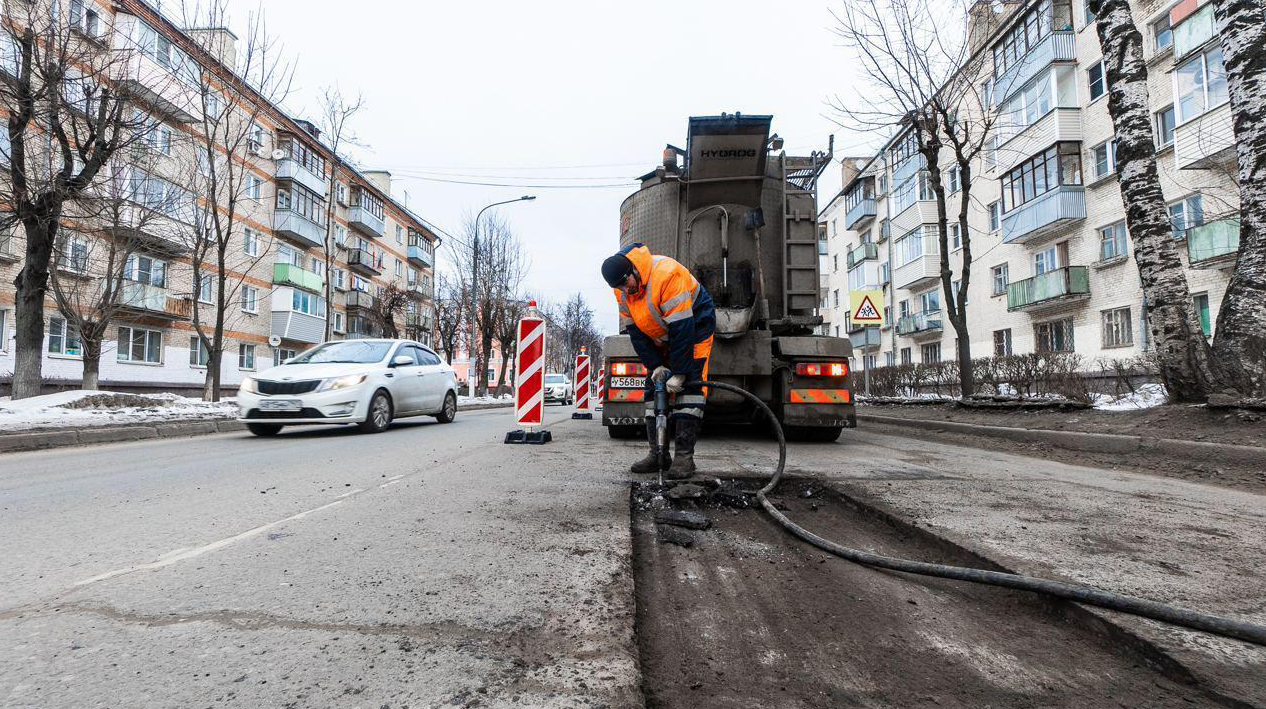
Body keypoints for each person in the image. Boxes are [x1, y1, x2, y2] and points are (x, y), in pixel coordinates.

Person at [601, 242, 715, 479]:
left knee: (689, 391)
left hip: (694, 329)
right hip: (660, 335)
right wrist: (656, 366)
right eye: (619, 286)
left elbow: (683, 329)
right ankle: (658, 454)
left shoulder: (666, 275)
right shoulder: (621, 291)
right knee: (654, 391)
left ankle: (684, 458)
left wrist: (681, 372)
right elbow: (635, 332)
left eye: (626, 282)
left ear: (633, 270)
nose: (625, 289)